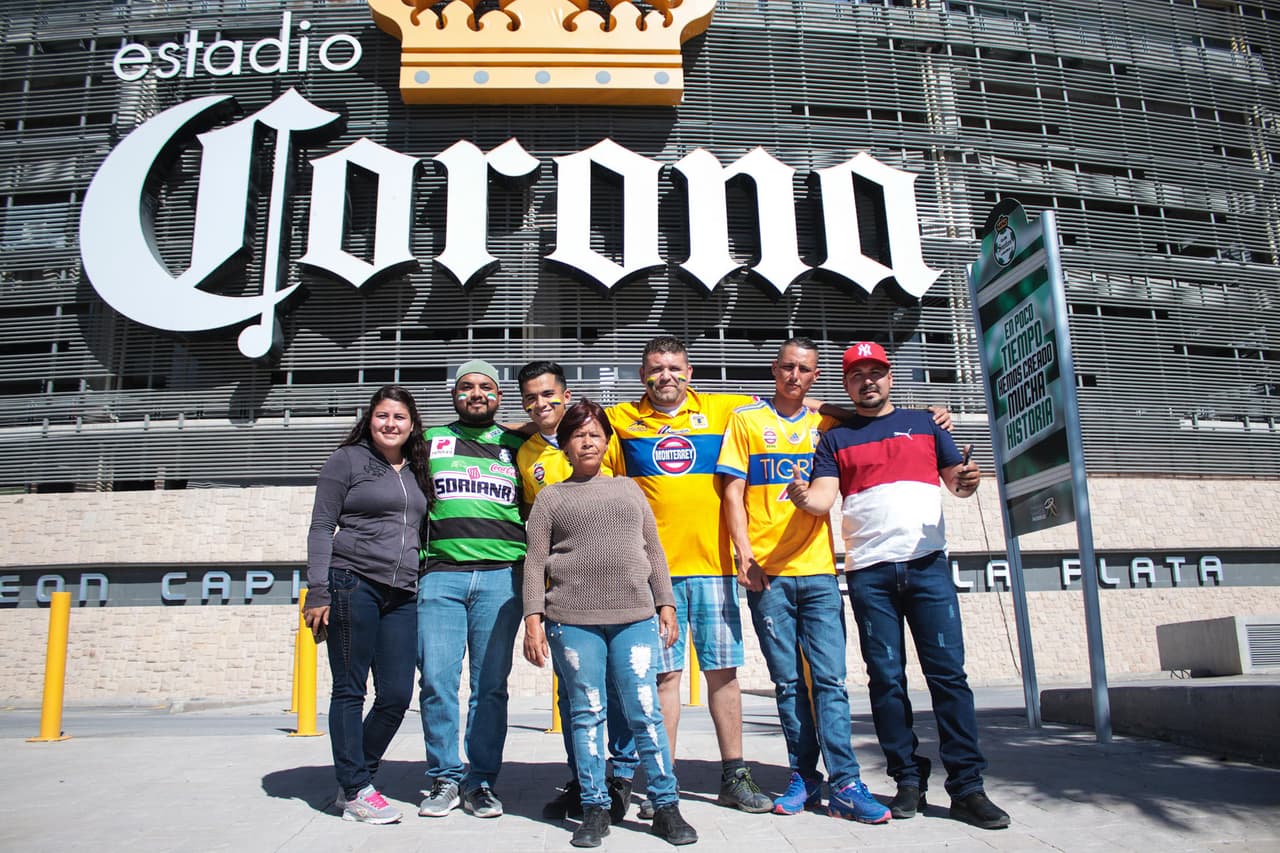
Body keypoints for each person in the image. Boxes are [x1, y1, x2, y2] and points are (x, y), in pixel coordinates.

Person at [787, 341, 1011, 830]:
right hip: (869, 573)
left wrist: (969, 479)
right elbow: (823, 498)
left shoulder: (927, 425)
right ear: (846, 384)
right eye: (857, 375)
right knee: (886, 681)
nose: (868, 381)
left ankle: (967, 788)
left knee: (948, 677)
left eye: (876, 372)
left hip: (927, 567)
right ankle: (907, 780)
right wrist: (804, 497)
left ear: (890, 377)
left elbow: (958, 482)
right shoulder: (835, 439)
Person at [716, 338, 891, 824]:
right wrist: (744, 555)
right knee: (788, 683)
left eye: (805, 369)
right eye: (788, 367)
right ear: (774, 369)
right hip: (767, 574)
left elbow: (873, 415)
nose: (795, 376)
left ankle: (847, 782)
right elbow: (732, 494)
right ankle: (804, 777)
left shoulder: (826, 424)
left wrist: (937, 414)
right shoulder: (746, 420)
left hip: (817, 570)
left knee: (830, 680)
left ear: (816, 377)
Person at [601, 335, 773, 814]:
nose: (666, 376)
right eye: (656, 368)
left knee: (724, 675)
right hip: (654, 577)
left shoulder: (725, 410)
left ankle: (735, 776)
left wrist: (924, 415)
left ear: (690, 372)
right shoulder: (619, 420)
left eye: (675, 367)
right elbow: (557, 425)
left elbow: (791, 406)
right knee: (664, 679)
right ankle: (664, 784)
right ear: (642, 375)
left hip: (716, 569)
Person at [522, 399, 698, 848]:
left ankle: (665, 805)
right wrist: (533, 619)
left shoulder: (629, 489)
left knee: (644, 710)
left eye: (595, 434)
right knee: (586, 714)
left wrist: (666, 602)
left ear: (606, 442)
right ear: (565, 445)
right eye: (578, 435)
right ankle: (595, 807)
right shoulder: (550, 498)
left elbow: (653, 549)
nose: (587, 442)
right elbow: (535, 562)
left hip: (635, 619)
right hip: (572, 623)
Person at [515, 361, 639, 823]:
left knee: (619, 691)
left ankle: (621, 776)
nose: (541, 404)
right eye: (531, 398)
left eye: (549, 394)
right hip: (567, 597)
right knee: (573, 695)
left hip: (619, 592)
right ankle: (583, 777)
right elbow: (537, 537)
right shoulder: (525, 453)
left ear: (566, 396)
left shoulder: (603, 435)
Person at [304, 384, 431, 824]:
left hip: (402, 593)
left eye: (399, 417)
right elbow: (322, 526)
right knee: (350, 689)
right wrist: (317, 589)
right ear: (369, 419)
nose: (390, 424)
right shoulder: (347, 460)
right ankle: (357, 788)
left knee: (396, 694)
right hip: (352, 582)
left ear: (411, 425)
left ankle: (355, 777)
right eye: (382, 415)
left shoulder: (416, 469)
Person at [416, 359, 526, 820]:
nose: (476, 393)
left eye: (486, 386)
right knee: (436, 681)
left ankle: (480, 781)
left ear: (499, 396)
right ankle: (445, 776)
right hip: (440, 575)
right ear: (454, 395)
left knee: (490, 686)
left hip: (502, 577)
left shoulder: (518, 444)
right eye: (466, 386)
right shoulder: (428, 441)